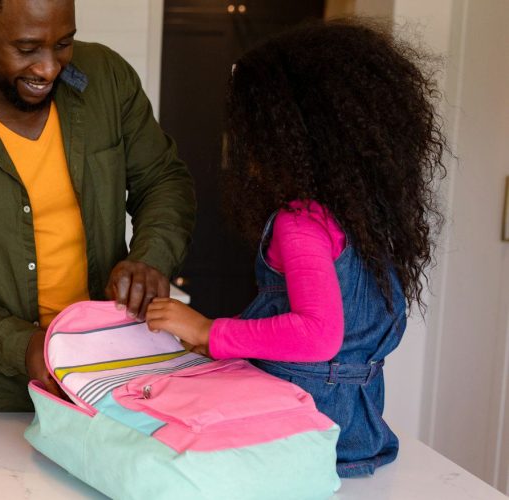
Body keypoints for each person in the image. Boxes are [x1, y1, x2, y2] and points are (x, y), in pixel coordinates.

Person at [144, 20, 447, 477]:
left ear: (284, 137)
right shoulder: (365, 221)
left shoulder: (300, 223)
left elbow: (318, 334)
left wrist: (209, 330)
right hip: (359, 432)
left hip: (297, 432)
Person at [0, 0, 196, 412]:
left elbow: (163, 180)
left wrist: (151, 258)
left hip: (113, 363)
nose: (48, 68)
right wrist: (22, 345)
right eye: (26, 49)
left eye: (63, 43)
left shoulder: (108, 79)